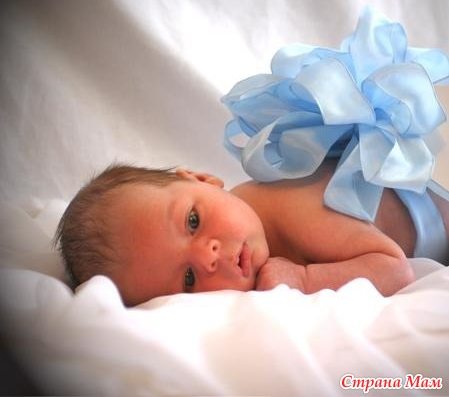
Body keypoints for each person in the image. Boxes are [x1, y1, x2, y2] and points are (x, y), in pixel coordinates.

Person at [55, 161, 449, 306]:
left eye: (192, 222)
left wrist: (305, 279)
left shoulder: (294, 208)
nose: (208, 256)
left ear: (203, 179)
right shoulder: (252, 237)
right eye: (189, 279)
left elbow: (395, 270)